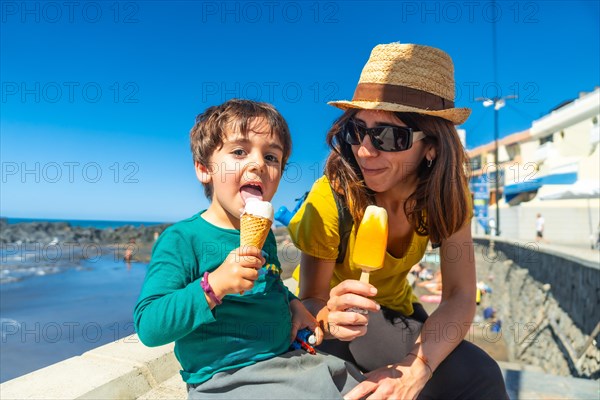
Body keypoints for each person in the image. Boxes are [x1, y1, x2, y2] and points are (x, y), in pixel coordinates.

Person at [288, 43, 508, 399]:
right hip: (338, 319)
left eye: (389, 136)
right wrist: (328, 311)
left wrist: (416, 367)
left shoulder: (446, 198)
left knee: (481, 375)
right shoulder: (332, 196)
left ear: (431, 146)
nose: (364, 151)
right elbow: (311, 299)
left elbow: (460, 294)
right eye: (357, 130)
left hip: (399, 311)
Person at [133, 99, 363, 399]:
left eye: (271, 157)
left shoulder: (262, 234)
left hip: (286, 362)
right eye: (239, 151)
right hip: (226, 380)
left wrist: (293, 304)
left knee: (361, 386)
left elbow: (271, 283)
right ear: (204, 169)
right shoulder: (182, 239)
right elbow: (150, 326)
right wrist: (214, 285)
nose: (257, 164)